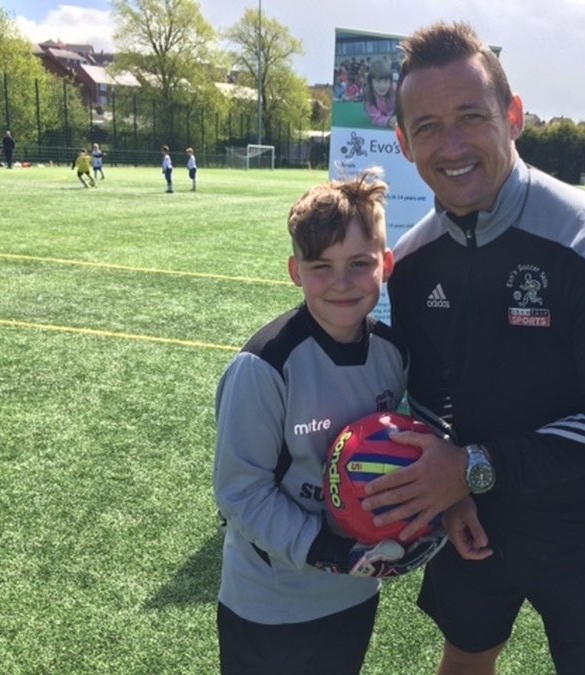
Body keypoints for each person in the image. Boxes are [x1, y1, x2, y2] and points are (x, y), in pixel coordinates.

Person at [359, 22, 585, 675]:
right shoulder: (411, 263)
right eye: (430, 126)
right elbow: (429, 393)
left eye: (471, 116)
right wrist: (460, 490)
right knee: (463, 662)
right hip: (475, 522)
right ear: (404, 141)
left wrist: (471, 465)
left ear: (514, 116)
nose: (453, 144)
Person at [213, 170, 441, 675]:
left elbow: (395, 449)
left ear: (386, 264)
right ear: (296, 271)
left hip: (353, 594)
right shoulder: (265, 367)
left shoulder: (393, 352)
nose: (342, 283)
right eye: (322, 266)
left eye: (360, 264)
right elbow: (240, 493)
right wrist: (328, 550)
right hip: (270, 603)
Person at [363, 59, 397, 128]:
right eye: (378, 81)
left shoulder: (395, 89)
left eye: (386, 81)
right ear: (371, 82)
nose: (382, 86)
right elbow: (375, 118)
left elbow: (406, 108)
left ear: (391, 81)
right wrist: (388, 121)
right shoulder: (369, 95)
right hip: (385, 116)